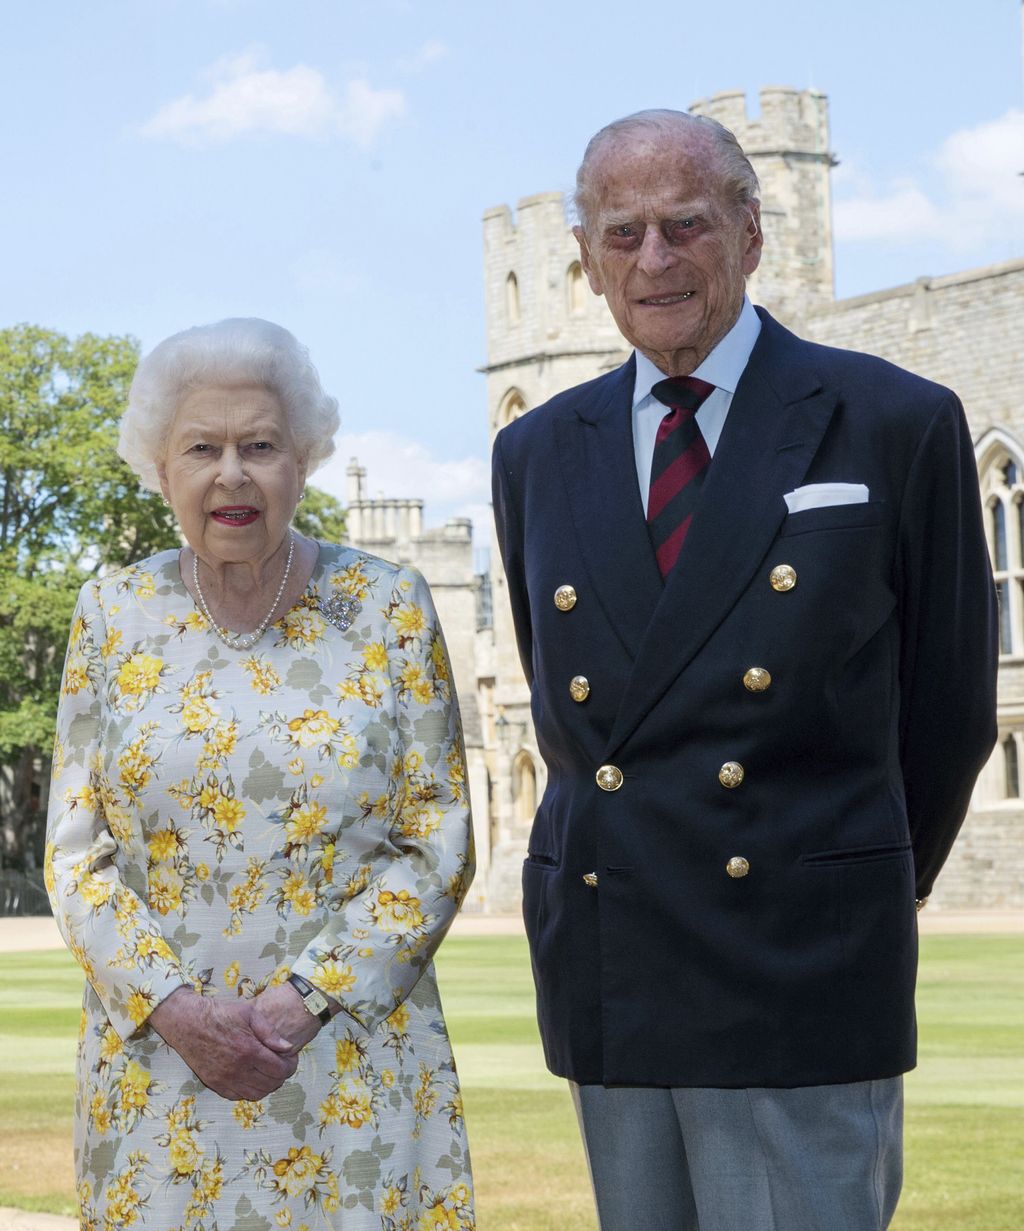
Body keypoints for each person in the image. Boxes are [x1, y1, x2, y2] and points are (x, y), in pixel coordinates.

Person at [491, 110, 997, 1231]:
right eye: (621, 235)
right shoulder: (535, 450)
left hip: (800, 963)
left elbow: (953, 708)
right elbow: (568, 703)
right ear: (584, 260)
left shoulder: (891, 420)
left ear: (752, 234)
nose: (654, 260)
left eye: (685, 225)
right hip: (615, 963)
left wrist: (842, 880)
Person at [46, 318, 475, 1230]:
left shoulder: (390, 606)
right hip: (161, 1071)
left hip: (351, 1063)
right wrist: (177, 1011)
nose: (232, 473)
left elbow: (438, 836)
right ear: (160, 468)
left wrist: (307, 997)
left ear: (304, 461)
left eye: (261, 445)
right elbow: (77, 853)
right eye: (202, 447)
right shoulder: (111, 613)